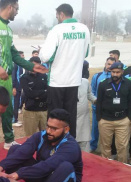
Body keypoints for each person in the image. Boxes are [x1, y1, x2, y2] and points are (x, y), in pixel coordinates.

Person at [0, 0, 48, 150]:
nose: (17, 12)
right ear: (10, 7)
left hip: (6, 77)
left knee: (7, 110)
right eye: (16, 9)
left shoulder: (8, 29)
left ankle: (9, 140)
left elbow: (14, 53)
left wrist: (31, 66)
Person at [0, 109, 83, 182]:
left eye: (54, 128)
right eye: (48, 126)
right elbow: (22, 152)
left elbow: (48, 166)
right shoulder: (41, 136)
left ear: (66, 129)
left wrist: (18, 174)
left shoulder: (71, 147)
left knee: (66, 167)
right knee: (15, 149)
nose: (48, 131)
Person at [39, 3, 90, 138]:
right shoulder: (84, 29)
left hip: (57, 81)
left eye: (57, 16)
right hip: (73, 80)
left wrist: (40, 51)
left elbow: (45, 56)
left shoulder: (56, 30)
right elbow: (85, 53)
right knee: (70, 116)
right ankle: (69, 144)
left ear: (61, 14)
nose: (57, 19)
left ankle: (54, 144)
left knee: (55, 116)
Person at [96, 62, 131, 163]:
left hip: (122, 120)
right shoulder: (103, 84)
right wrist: (99, 119)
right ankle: (106, 166)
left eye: (118, 72)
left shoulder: (129, 84)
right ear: (110, 72)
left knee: (122, 147)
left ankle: (122, 167)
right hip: (105, 120)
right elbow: (99, 102)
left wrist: (128, 118)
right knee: (105, 146)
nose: (115, 74)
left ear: (122, 72)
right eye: (113, 72)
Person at [90, 57, 115, 152]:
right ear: (105, 63)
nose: (110, 66)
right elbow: (92, 90)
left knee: (108, 130)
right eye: (108, 64)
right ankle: (93, 146)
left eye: (112, 65)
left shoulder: (116, 77)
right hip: (97, 108)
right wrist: (95, 101)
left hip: (110, 109)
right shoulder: (97, 76)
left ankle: (106, 148)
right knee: (95, 128)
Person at [20, 56, 48, 136]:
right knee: (30, 137)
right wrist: (43, 92)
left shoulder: (44, 76)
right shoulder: (24, 78)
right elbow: (29, 94)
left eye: (37, 66)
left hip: (44, 111)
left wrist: (37, 94)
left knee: (46, 136)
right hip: (30, 112)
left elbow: (49, 92)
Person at [77, 64, 96, 152]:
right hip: (71, 119)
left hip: (83, 118)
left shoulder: (85, 82)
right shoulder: (65, 84)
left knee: (84, 142)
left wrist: (96, 100)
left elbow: (89, 94)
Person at [12, 51, 24, 127]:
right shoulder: (15, 64)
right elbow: (14, 76)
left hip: (19, 87)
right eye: (22, 55)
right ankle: (13, 120)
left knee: (17, 103)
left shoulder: (20, 65)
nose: (23, 56)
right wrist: (14, 87)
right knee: (14, 104)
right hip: (15, 87)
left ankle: (16, 119)